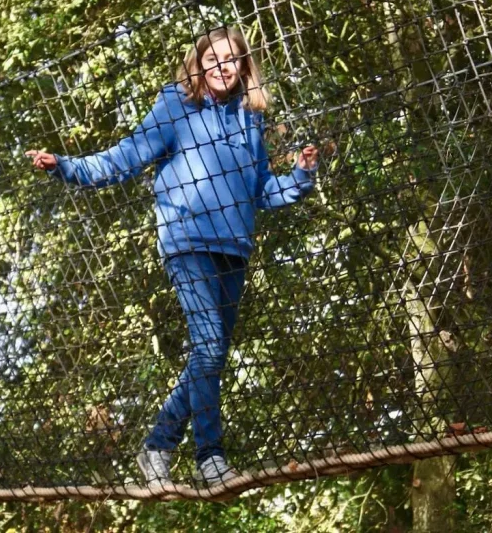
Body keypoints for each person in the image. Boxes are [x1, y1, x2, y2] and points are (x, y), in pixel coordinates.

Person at [26, 26, 318, 489]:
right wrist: (66, 166)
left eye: (232, 59)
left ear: (245, 67)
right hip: (187, 242)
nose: (222, 66)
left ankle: (158, 445)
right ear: (198, 63)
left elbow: (263, 189)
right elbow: (124, 158)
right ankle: (210, 457)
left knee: (212, 353)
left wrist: (301, 176)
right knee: (209, 348)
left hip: (234, 249)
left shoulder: (251, 122)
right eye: (213, 58)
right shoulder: (176, 107)